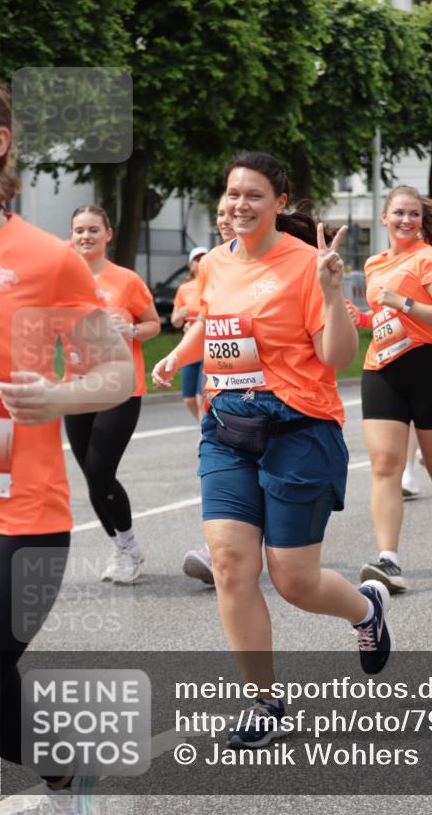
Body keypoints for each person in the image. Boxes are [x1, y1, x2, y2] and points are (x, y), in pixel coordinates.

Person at [153, 152, 393, 746]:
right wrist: (177, 356)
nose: (238, 205)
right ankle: (265, 703)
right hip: (229, 430)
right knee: (233, 567)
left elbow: (339, 358)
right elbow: (213, 322)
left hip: (299, 430)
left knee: (293, 581)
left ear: (280, 203)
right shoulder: (214, 262)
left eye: (253, 195)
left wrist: (333, 292)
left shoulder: (308, 265)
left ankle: (365, 610)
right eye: (232, 193)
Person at [0, 73, 133, 811]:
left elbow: (117, 369)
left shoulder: (46, 259)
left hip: (20, 517)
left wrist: (58, 397)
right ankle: (68, 767)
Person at [347, 186, 432, 589]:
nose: (406, 220)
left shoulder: (429, 257)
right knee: (385, 465)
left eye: (413, 214)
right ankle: (388, 559)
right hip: (382, 369)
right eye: (398, 213)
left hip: (431, 368)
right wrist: (361, 318)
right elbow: (383, 319)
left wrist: (404, 303)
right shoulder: (374, 263)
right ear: (384, 216)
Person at [65, 206, 160, 584]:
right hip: (78, 389)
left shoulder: (126, 280)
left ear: (108, 234)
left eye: (92, 230)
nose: (85, 236)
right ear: (71, 236)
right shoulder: (60, 280)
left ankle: (128, 548)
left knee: (101, 471)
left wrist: (134, 331)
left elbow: (154, 323)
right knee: (91, 478)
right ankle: (125, 547)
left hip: (121, 386)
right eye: (78, 231)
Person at [182, 194, 236, 586]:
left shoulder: (281, 261)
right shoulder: (213, 263)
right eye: (219, 213)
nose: (226, 218)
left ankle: (237, 547)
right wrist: (176, 355)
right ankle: (218, 551)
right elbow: (205, 318)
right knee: (216, 469)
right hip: (220, 386)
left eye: (232, 210)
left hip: (272, 394)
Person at [171, 245, 208, 421]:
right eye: (197, 259)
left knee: (202, 396)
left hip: (209, 344)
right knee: (189, 399)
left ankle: (204, 437)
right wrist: (179, 314)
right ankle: (202, 428)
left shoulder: (214, 284)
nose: (200, 262)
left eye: (204, 258)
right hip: (189, 345)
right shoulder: (184, 289)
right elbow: (175, 322)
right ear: (190, 264)